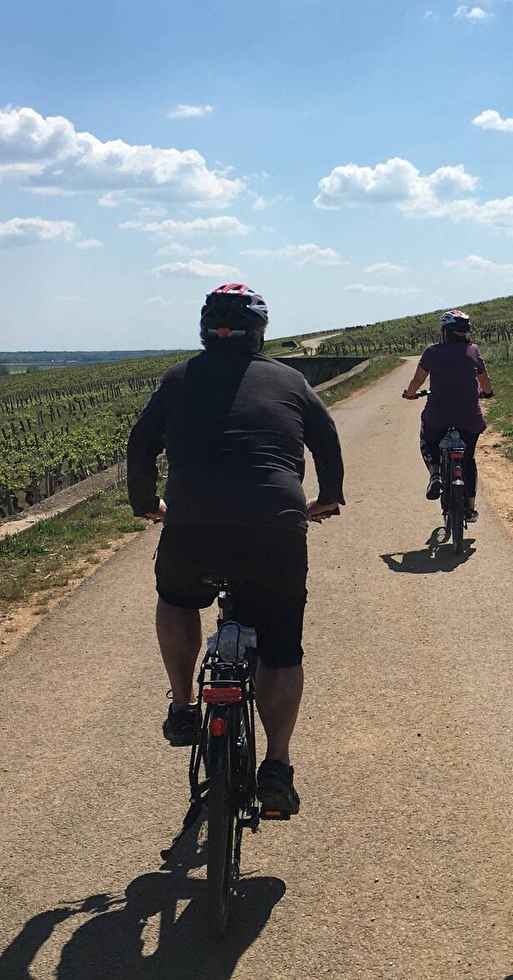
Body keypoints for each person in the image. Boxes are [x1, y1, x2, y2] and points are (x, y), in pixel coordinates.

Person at [127, 283, 344, 817]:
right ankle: (277, 765)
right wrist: (327, 498)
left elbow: (140, 445)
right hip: (275, 529)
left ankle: (183, 706)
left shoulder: (177, 378)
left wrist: (147, 505)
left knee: (177, 599)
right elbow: (326, 439)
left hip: (192, 525)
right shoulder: (290, 380)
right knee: (281, 649)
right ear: (259, 333)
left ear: (206, 331)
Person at [402, 310, 493, 522]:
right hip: (469, 417)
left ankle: (435, 474)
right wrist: (487, 393)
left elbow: (418, 380)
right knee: (468, 458)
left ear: (445, 331)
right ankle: (470, 508)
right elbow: (485, 380)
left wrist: (410, 394)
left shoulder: (432, 351)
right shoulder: (473, 350)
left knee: (427, 440)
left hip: (438, 415)